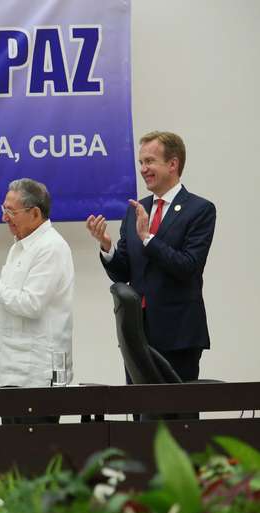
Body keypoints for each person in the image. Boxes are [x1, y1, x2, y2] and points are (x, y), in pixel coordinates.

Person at [86, 131, 216, 382]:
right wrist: (107, 247)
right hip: (136, 334)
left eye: (150, 161)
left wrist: (148, 238)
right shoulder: (137, 209)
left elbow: (188, 266)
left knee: (176, 417)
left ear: (173, 164)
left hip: (178, 335)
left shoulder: (200, 210)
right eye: (141, 163)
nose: (143, 169)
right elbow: (124, 273)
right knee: (140, 415)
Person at [0, 178, 74, 423]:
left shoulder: (51, 247)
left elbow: (31, 304)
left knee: (35, 456)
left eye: (11, 211)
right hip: (13, 371)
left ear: (35, 213)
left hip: (38, 375)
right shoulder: (18, 247)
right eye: (3, 209)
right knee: (12, 454)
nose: (4, 218)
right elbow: (12, 307)